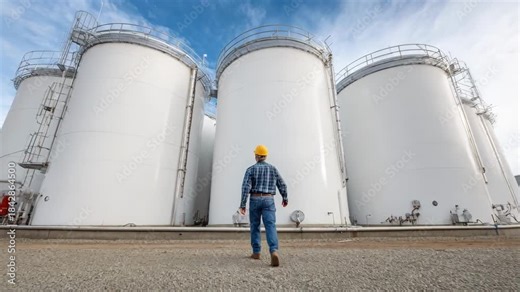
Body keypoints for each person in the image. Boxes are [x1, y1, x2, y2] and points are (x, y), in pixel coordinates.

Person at [239, 144, 288, 267]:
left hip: (255, 198)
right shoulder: (273, 169)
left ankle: (256, 252)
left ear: (256, 156)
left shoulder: (250, 169)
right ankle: (274, 251)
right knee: (270, 225)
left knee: (255, 226)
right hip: (268, 199)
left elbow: (246, 187)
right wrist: (284, 197)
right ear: (265, 156)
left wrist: (243, 204)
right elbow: (282, 184)